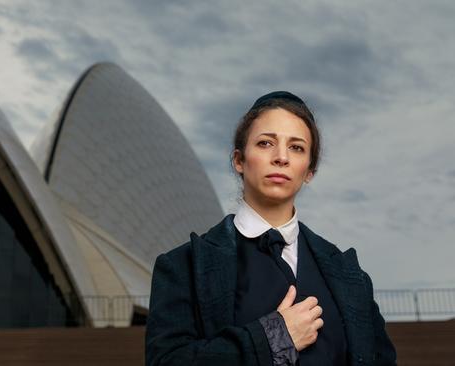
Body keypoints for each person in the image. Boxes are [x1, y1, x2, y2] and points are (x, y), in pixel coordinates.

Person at [145, 91, 396, 365]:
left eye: (296, 147)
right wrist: (274, 339)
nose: (281, 157)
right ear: (239, 160)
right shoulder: (183, 266)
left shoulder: (351, 277)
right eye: (265, 143)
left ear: (309, 171)